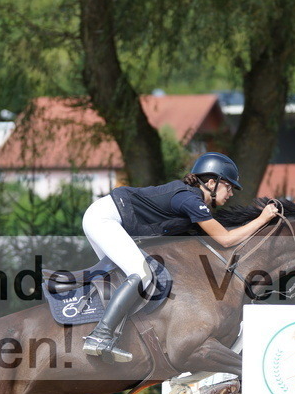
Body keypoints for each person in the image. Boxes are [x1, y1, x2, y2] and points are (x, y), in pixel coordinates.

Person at [80, 152, 279, 362]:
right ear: (212, 182)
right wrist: (263, 218)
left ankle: (106, 333)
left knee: (126, 279)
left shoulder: (193, 201)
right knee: (141, 274)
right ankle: (100, 336)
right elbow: (226, 239)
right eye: (228, 186)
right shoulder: (190, 200)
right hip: (104, 219)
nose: (230, 193)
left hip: (107, 218)